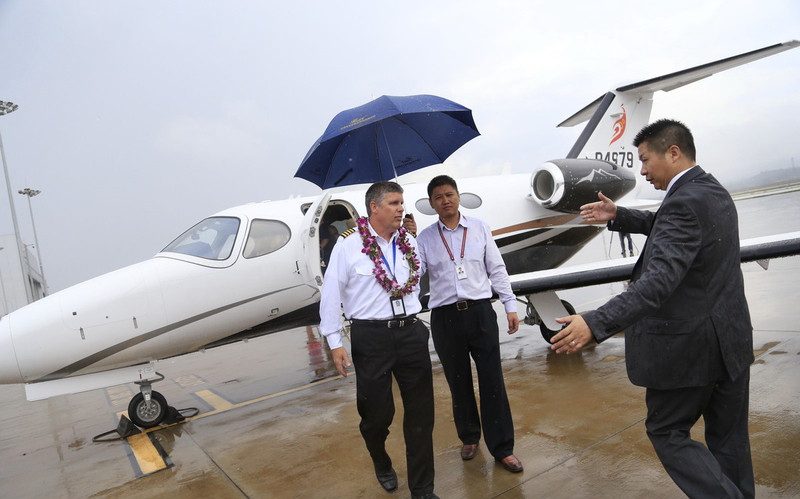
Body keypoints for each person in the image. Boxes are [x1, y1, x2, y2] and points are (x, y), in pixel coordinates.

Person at [551, 119, 754, 498]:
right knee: (730, 442)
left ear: (673, 153)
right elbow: (673, 225)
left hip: (691, 350)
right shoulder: (710, 191)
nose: (641, 171)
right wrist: (620, 215)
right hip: (731, 341)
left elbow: (657, 283)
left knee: (666, 431)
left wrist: (595, 323)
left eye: (645, 160)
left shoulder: (682, 204)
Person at [319, 181, 438, 499]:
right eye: (395, 203)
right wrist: (334, 341)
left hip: (411, 332)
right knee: (376, 415)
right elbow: (331, 293)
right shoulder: (349, 245)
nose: (401, 207)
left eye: (402, 202)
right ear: (374, 207)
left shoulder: (408, 241)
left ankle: (423, 490)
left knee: (421, 415)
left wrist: (413, 235)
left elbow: (418, 276)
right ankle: (380, 457)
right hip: (371, 338)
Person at [412, 175, 523, 473]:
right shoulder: (423, 238)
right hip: (445, 318)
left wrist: (510, 305)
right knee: (457, 381)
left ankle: (502, 448)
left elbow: (497, 269)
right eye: (438, 197)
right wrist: (406, 241)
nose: (445, 200)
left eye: (449, 194)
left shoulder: (479, 229)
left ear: (458, 196)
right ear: (431, 204)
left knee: (492, 381)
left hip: (480, 313)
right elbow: (414, 274)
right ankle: (469, 437)